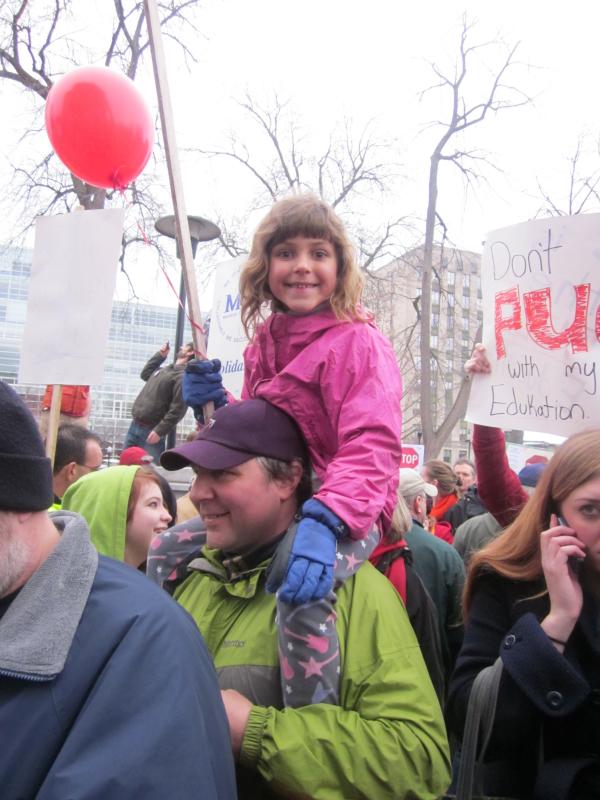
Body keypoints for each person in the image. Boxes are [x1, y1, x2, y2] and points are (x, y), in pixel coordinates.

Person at [158, 398, 450, 800]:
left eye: (222, 474)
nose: (199, 493)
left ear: (288, 479)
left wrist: (254, 732)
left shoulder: (351, 591)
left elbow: (418, 762)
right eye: (197, 474)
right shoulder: (186, 579)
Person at [183, 194, 402, 707]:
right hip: (292, 496)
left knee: (302, 593)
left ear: (339, 267)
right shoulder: (264, 341)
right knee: (169, 550)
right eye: (286, 253)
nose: (302, 266)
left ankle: (307, 723)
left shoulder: (360, 343)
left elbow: (371, 443)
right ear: (266, 267)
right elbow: (269, 432)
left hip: (349, 505)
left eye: (318, 253)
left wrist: (327, 520)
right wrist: (218, 406)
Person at [0, 381, 236, 800]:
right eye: (151, 504)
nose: (174, 513)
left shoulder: (144, 638)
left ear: (14, 499)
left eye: (224, 475)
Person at [447, 429, 600, 799]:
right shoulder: (506, 581)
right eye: (590, 510)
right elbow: (472, 722)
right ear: (555, 515)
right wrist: (557, 622)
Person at [397, 468, 465, 680]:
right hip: (431, 668)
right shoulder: (444, 553)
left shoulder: (364, 544)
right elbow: (458, 626)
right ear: (419, 503)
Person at [62, 465, 173, 569]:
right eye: (153, 504)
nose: (168, 516)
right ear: (111, 512)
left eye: (163, 505)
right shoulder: (97, 587)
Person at [124, 341, 195, 460]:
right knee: (125, 466)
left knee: (150, 472)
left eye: (185, 347)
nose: (181, 347)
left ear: (190, 352)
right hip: (135, 425)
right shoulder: (165, 370)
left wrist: (160, 431)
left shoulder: (183, 376)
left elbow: (178, 409)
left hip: (151, 431)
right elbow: (145, 374)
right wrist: (160, 356)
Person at [50, 423, 104, 509]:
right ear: (71, 470)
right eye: (95, 469)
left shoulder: (31, 506)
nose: (99, 476)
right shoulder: (63, 519)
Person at [422, 459, 462, 541]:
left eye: (421, 478)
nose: (418, 482)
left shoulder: (455, 512)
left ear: (434, 483)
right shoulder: (430, 507)